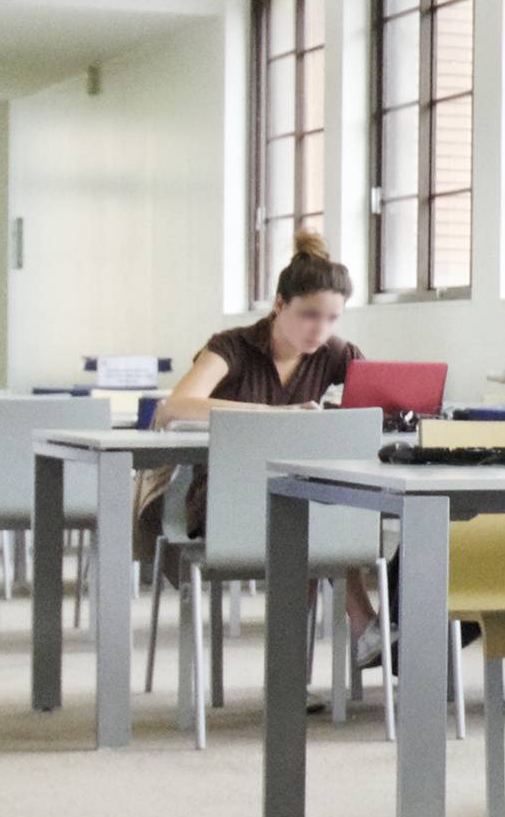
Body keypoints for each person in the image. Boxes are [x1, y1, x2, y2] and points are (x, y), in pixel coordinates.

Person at [144, 231, 381, 661]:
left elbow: (374, 409)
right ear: (279, 304)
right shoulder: (231, 347)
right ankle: (364, 626)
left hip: (299, 497)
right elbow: (175, 407)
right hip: (224, 497)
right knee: (312, 511)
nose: (321, 329)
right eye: (309, 315)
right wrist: (276, 414)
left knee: (317, 507)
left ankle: (309, 662)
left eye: (332, 319)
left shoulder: (336, 354)